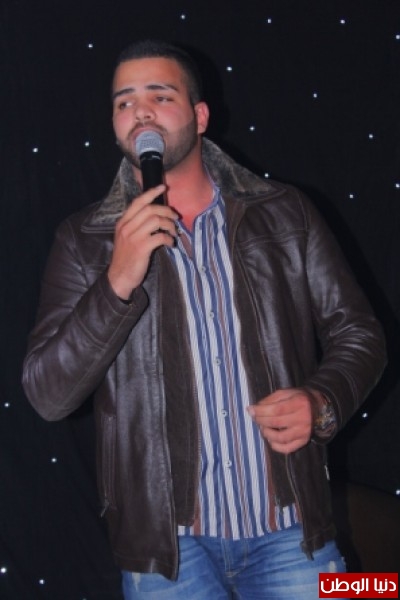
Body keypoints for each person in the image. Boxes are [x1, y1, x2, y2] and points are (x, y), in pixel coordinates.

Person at [22, 39, 386, 599]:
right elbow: (49, 395)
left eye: (160, 95)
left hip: (291, 531)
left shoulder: (284, 212)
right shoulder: (84, 240)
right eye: (124, 102)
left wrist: (321, 401)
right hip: (166, 552)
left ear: (200, 115)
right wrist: (116, 281)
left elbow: (359, 334)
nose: (140, 112)